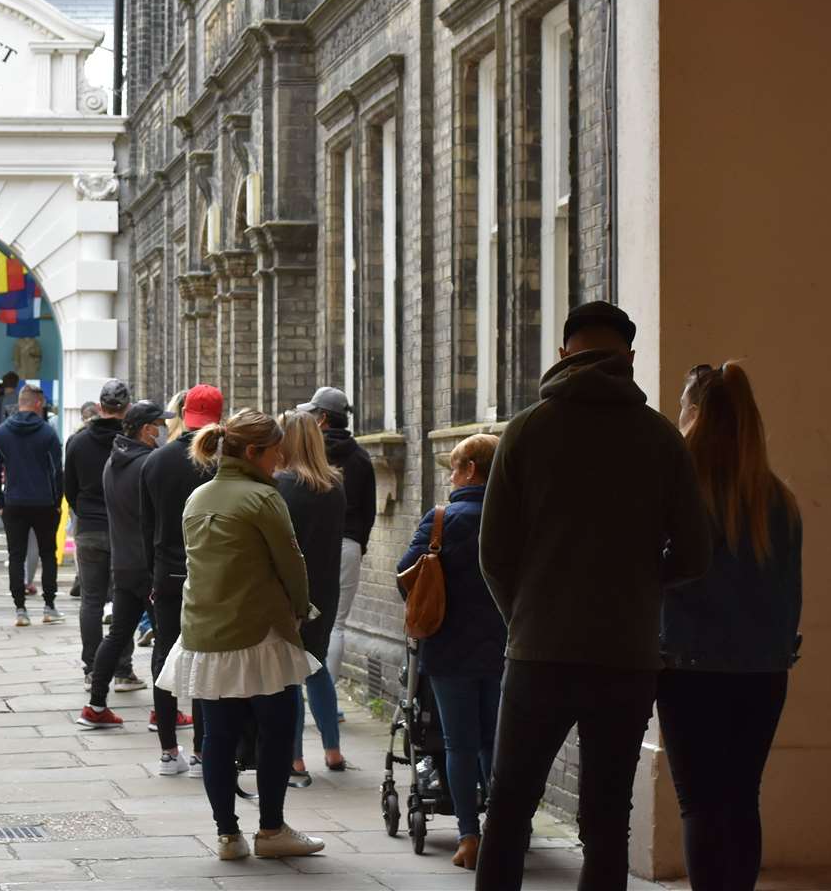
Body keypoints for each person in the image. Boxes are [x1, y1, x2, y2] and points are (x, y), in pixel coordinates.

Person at [473, 301, 713, 890]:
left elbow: (493, 554)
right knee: (606, 820)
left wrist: (524, 616)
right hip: (625, 656)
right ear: (628, 357)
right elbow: (695, 554)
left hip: (539, 651)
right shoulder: (660, 438)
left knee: (508, 810)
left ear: (563, 355)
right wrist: (639, 586)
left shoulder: (527, 431)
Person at [155, 409, 326, 862]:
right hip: (259, 633)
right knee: (278, 726)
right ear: (254, 452)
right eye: (276, 450)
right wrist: (301, 610)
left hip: (204, 633)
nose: (281, 458)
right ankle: (271, 829)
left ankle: (227, 836)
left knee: (218, 736)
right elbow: (292, 566)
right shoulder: (263, 499)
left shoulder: (198, 498)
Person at [657, 362, 802, 891]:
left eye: (680, 405)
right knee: (742, 799)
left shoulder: (679, 496)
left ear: (694, 414)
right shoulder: (779, 501)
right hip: (764, 672)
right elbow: (791, 596)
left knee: (699, 806)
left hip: (687, 671)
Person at [398, 432, 507, 871]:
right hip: (505, 649)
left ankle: (469, 837)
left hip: (450, 650)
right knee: (494, 742)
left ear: (470, 471)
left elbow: (404, 574)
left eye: (454, 468)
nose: (450, 476)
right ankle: (505, 828)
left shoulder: (442, 519)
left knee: (457, 744)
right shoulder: (515, 518)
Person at [140, 383, 223, 770]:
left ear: (185, 413)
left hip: (166, 573)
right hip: (213, 576)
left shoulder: (155, 462)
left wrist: (150, 577)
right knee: (206, 659)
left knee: (165, 655)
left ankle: (168, 751)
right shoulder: (222, 465)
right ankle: (204, 750)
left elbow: (146, 528)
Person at [77, 400, 169, 737]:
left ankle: (96, 705)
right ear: (146, 429)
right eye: (160, 424)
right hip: (148, 565)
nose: (163, 430)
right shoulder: (148, 464)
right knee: (165, 638)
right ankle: (163, 713)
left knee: (118, 635)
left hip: (124, 563)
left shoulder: (113, 461)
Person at [274, 410, 346, 783]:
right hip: (327, 588)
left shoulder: (281, 485)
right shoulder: (334, 486)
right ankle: (333, 751)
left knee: (290, 674)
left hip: (292, 591)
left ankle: (296, 758)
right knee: (316, 668)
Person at [65, 379, 141, 689]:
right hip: (123, 529)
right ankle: (122, 670)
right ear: (127, 407)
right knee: (123, 601)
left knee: (91, 601)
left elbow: (68, 486)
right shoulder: (131, 441)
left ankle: (91, 668)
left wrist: (83, 511)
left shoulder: (78, 441)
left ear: (100, 406)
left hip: (89, 528)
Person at [297, 387, 376, 681]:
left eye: (313, 413)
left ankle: (301, 689)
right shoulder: (361, 457)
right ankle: (327, 693)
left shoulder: (309, 456)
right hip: (348, 545)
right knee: (338, 624)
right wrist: (359, 543)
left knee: (304, 619)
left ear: (323, 419)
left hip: (311, 544)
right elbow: (369, 510)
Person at [0, 384, 66, 626]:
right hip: (44, 502)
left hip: (14, 502)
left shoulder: (1, 433)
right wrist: (56, 502)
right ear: (38, 403)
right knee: (48, 554)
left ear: (19, 403)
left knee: (16, 555)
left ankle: (20, 608)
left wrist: (1, 502)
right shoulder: (47, 433)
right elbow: (56, 472)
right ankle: (49, 605)